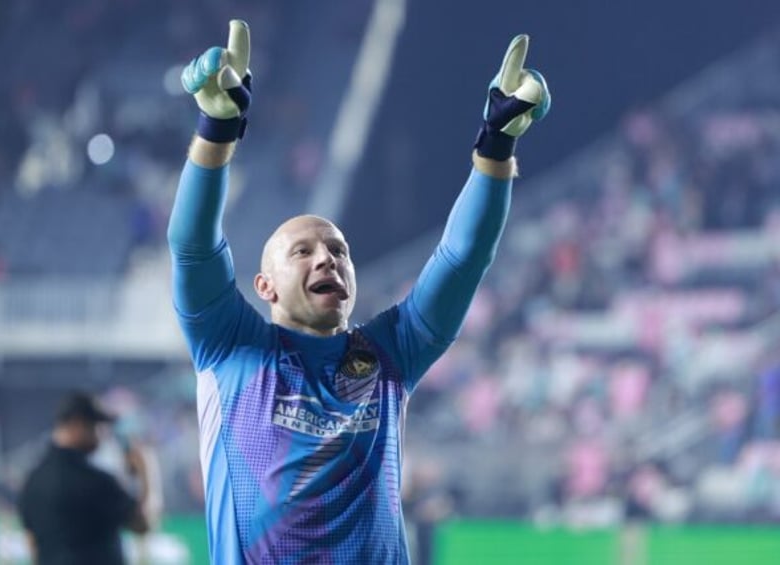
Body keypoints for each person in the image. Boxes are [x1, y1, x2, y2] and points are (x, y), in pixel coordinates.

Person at [167, 19, 550, 564]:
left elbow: (463, 259)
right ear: (264, 286)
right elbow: (192, 247)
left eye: (339, 251)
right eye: (303, 251)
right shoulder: (229, 344)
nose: (327, 257)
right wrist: (216, 129)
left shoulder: (392, 353)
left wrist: (497, 144)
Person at [17, 391, 156, 565]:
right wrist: (147, 470)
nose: (101, 434)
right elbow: (143, 524)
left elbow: (33, 545)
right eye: (96, 426)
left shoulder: (33, 481)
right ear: (78, 424)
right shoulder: (96, 481)